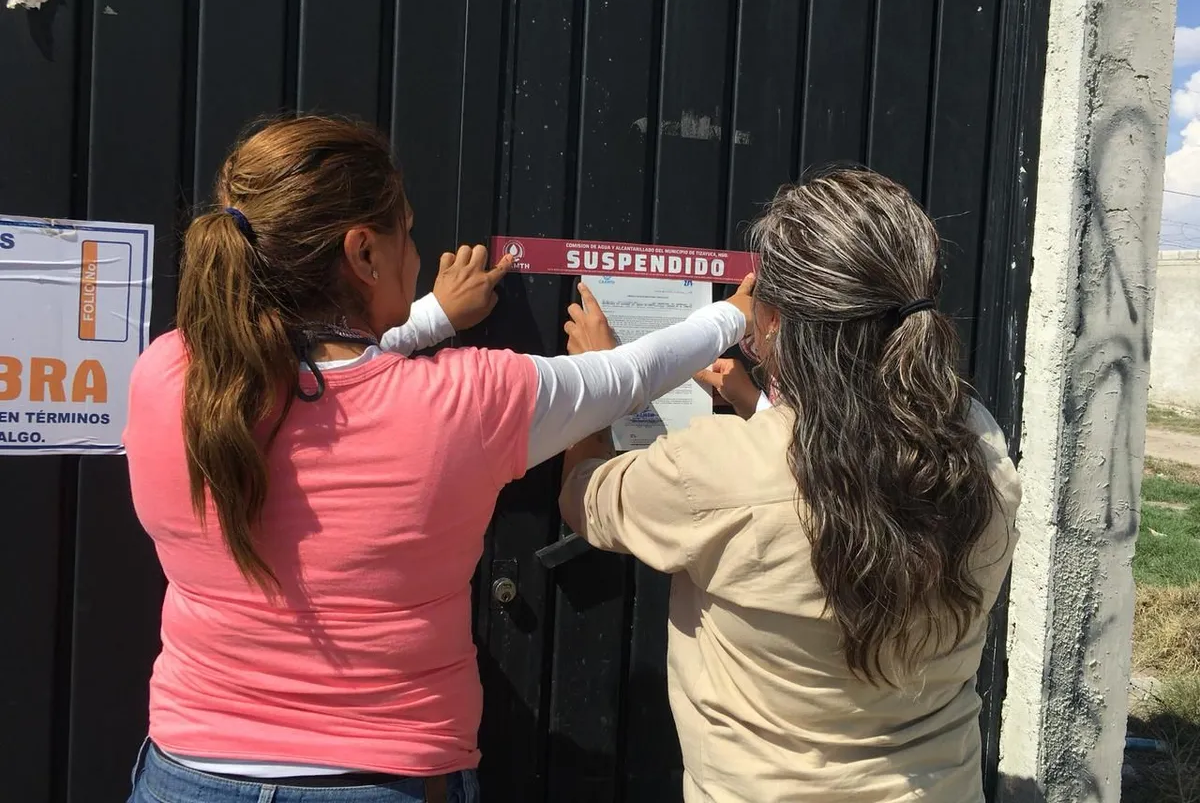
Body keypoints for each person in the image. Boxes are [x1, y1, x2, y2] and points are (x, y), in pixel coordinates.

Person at [122, 114, 756, 803]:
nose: (416, 254)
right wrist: (735, 315)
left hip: (186, 775)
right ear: (363, 252)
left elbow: (317, 381)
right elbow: (626, 378)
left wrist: (429, 318)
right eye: (408, 233)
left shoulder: (169, 375)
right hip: (383, 781)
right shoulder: (465, 402)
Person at [559, 166, 1023, 803]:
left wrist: (598, 375)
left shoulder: (712, 472)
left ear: (770, 321)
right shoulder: (979, 442)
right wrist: (754, 406)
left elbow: (584, 494)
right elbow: (849, 471)